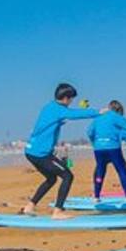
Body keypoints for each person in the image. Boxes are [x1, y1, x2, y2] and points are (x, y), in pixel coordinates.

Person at [22, 83, 101, 218]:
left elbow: (55, 119)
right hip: (41, 154)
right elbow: (74, 114)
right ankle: (58, 211)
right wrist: (98, 112)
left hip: (30, 151)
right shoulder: (59, 110)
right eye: (71, 99)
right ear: (65, 98)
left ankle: (30, 206)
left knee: (51, 179)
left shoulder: (49, 107)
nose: (71, 102)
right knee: (67, 176)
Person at [86, 100, 126, 199]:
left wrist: (95, 143)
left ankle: (96, 197)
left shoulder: (98, 118)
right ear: (119, 110)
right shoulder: (116, 117)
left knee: (100, 171)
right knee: (122, 170)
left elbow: (89, 132)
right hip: (113, 148)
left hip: (99, 149)